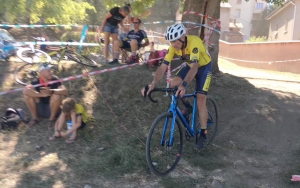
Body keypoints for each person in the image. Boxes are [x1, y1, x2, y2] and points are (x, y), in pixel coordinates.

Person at [140, 23, 212, 150]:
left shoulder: (194, 43)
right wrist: (153, 83)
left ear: (183, 37)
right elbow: (163, 66)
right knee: (173, 84)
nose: (173, 44)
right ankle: (188, 107)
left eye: (175, 41)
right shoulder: (173, 47)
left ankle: (203, 134)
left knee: (200, 99)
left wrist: (184, 85)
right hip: (190, 66)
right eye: (171, 41)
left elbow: (195, 67)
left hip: (203, 67)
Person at [23, 63, 68, 128]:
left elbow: (65, 92)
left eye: (51, 70)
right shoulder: (35, 81)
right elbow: (25, 91)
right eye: (48, 71)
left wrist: (52, 91)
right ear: (41, 73)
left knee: (57, 95)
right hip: (41, 109)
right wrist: (41, 95)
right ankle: (35, 119)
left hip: (54, 109)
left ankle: (52, 120)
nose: (51, 72)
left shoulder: (55, 79)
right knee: (27, 96)